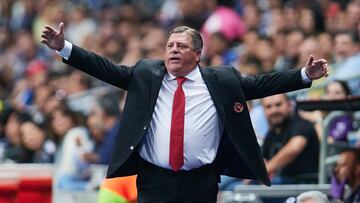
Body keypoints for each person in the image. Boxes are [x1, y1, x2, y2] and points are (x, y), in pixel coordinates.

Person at [41, 22, 329, 202]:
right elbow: (104, 68)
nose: (173, 51)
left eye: (181, 46)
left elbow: (263, 83)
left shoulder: (222, 80)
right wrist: (63, 47)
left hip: (200, 181)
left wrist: (305, 74)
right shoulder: (146, 74)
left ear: (198, 55)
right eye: (169, 46)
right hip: (154, 180)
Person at [261, 94, 319, 184]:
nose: (274, 110)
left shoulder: (302, 124)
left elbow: (295, 147)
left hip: (304, 183)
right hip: (282, 182)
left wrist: (266, 169)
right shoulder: (272, 132)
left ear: (289, 105)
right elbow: (263, 158)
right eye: (268, 107)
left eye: (278, 105)